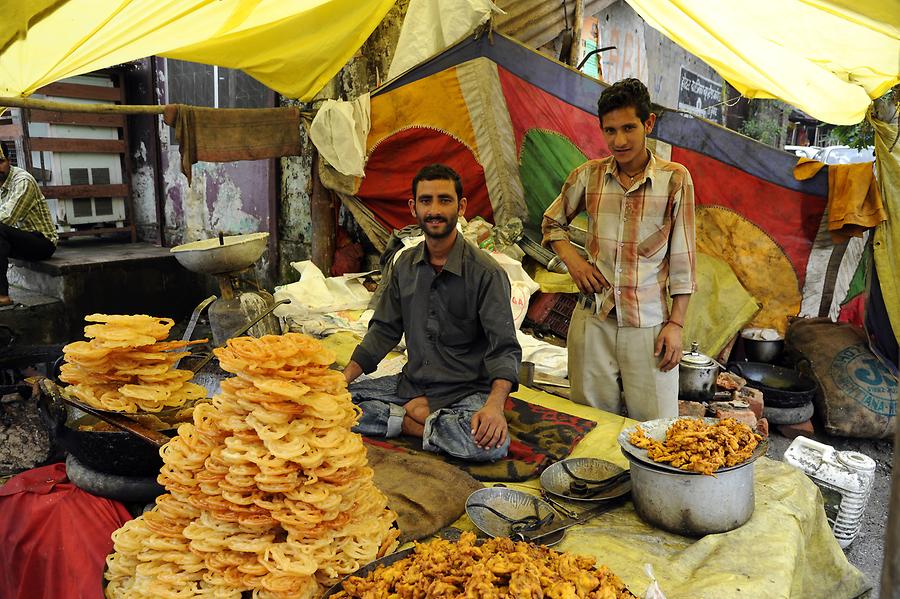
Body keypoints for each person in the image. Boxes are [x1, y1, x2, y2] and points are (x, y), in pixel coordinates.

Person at [542, 78, 696, 421]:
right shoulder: (588, 176)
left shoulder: (675, 179)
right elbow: (552, 224)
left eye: (629, 128)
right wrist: (575, 264)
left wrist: (676, 325)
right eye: (610, 131)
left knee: (656, 426)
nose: (619, 140)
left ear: (648, 124)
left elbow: (683, 259)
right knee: (591, 425)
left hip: (649, 325)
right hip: (593, 320)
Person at [343, 164, 521, 461]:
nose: (435, 210)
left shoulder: (486, 273)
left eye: (444, 200)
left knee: (490, 445)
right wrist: (344, 378)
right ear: (414, 207)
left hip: (464, 391)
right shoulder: (405, 265)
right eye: (426, 201)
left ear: (461, 206)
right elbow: (384, 329)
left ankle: (402, 419)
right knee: (333, 405)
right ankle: (413, 420)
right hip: (412, 384)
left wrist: (493, 406)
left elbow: (504, 349)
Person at [0, 141, 58, 306]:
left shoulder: (22, 181)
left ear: (9, 160)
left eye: (0, 161)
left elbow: (7, 217)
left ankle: (1, 295)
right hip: (12, 241)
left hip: (41, 242)